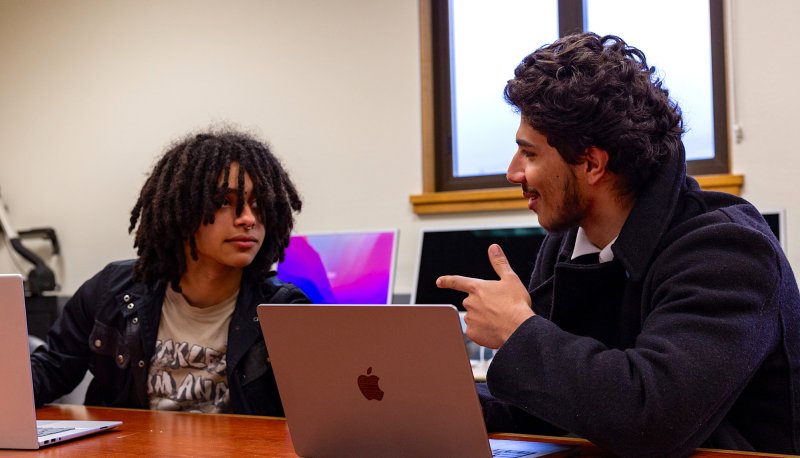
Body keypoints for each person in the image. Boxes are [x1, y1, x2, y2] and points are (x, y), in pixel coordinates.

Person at [437, 33, 800, 457]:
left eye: (529, 155)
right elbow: (566, 405)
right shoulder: (568, 246)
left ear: (591, 164)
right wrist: (443, 406)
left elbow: (652, 420)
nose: (512, 172)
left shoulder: (728, 252)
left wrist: (519, 331)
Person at [30, 129, 310, 415]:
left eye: (258, 204)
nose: (248, 219)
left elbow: (319, 414)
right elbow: (51, 368)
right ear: (185, 208)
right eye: (226, 201)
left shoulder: (282, 310)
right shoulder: (112, 291)